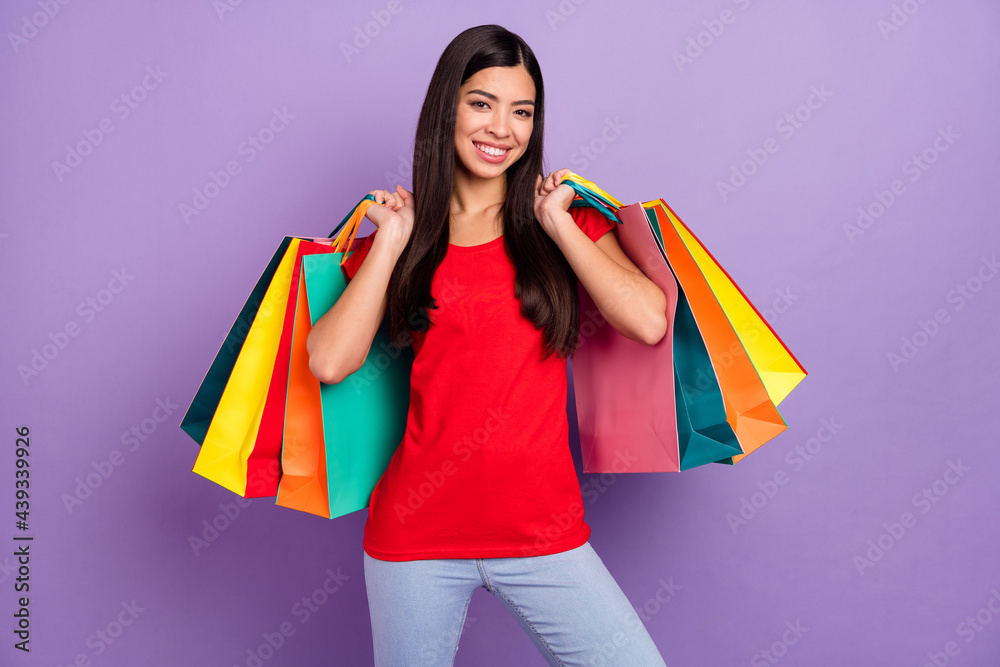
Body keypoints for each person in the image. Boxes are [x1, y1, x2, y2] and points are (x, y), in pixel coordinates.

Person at [307, 24, 669, 667]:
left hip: (543, 533)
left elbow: (646, 320)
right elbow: (329, 362)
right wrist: (390, 241)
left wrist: (556, 220)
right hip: (415, 537)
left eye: (522, 111)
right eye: (482, 103)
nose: (502, 127)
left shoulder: (568, 219)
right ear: (446, 107)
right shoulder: (407, 235)